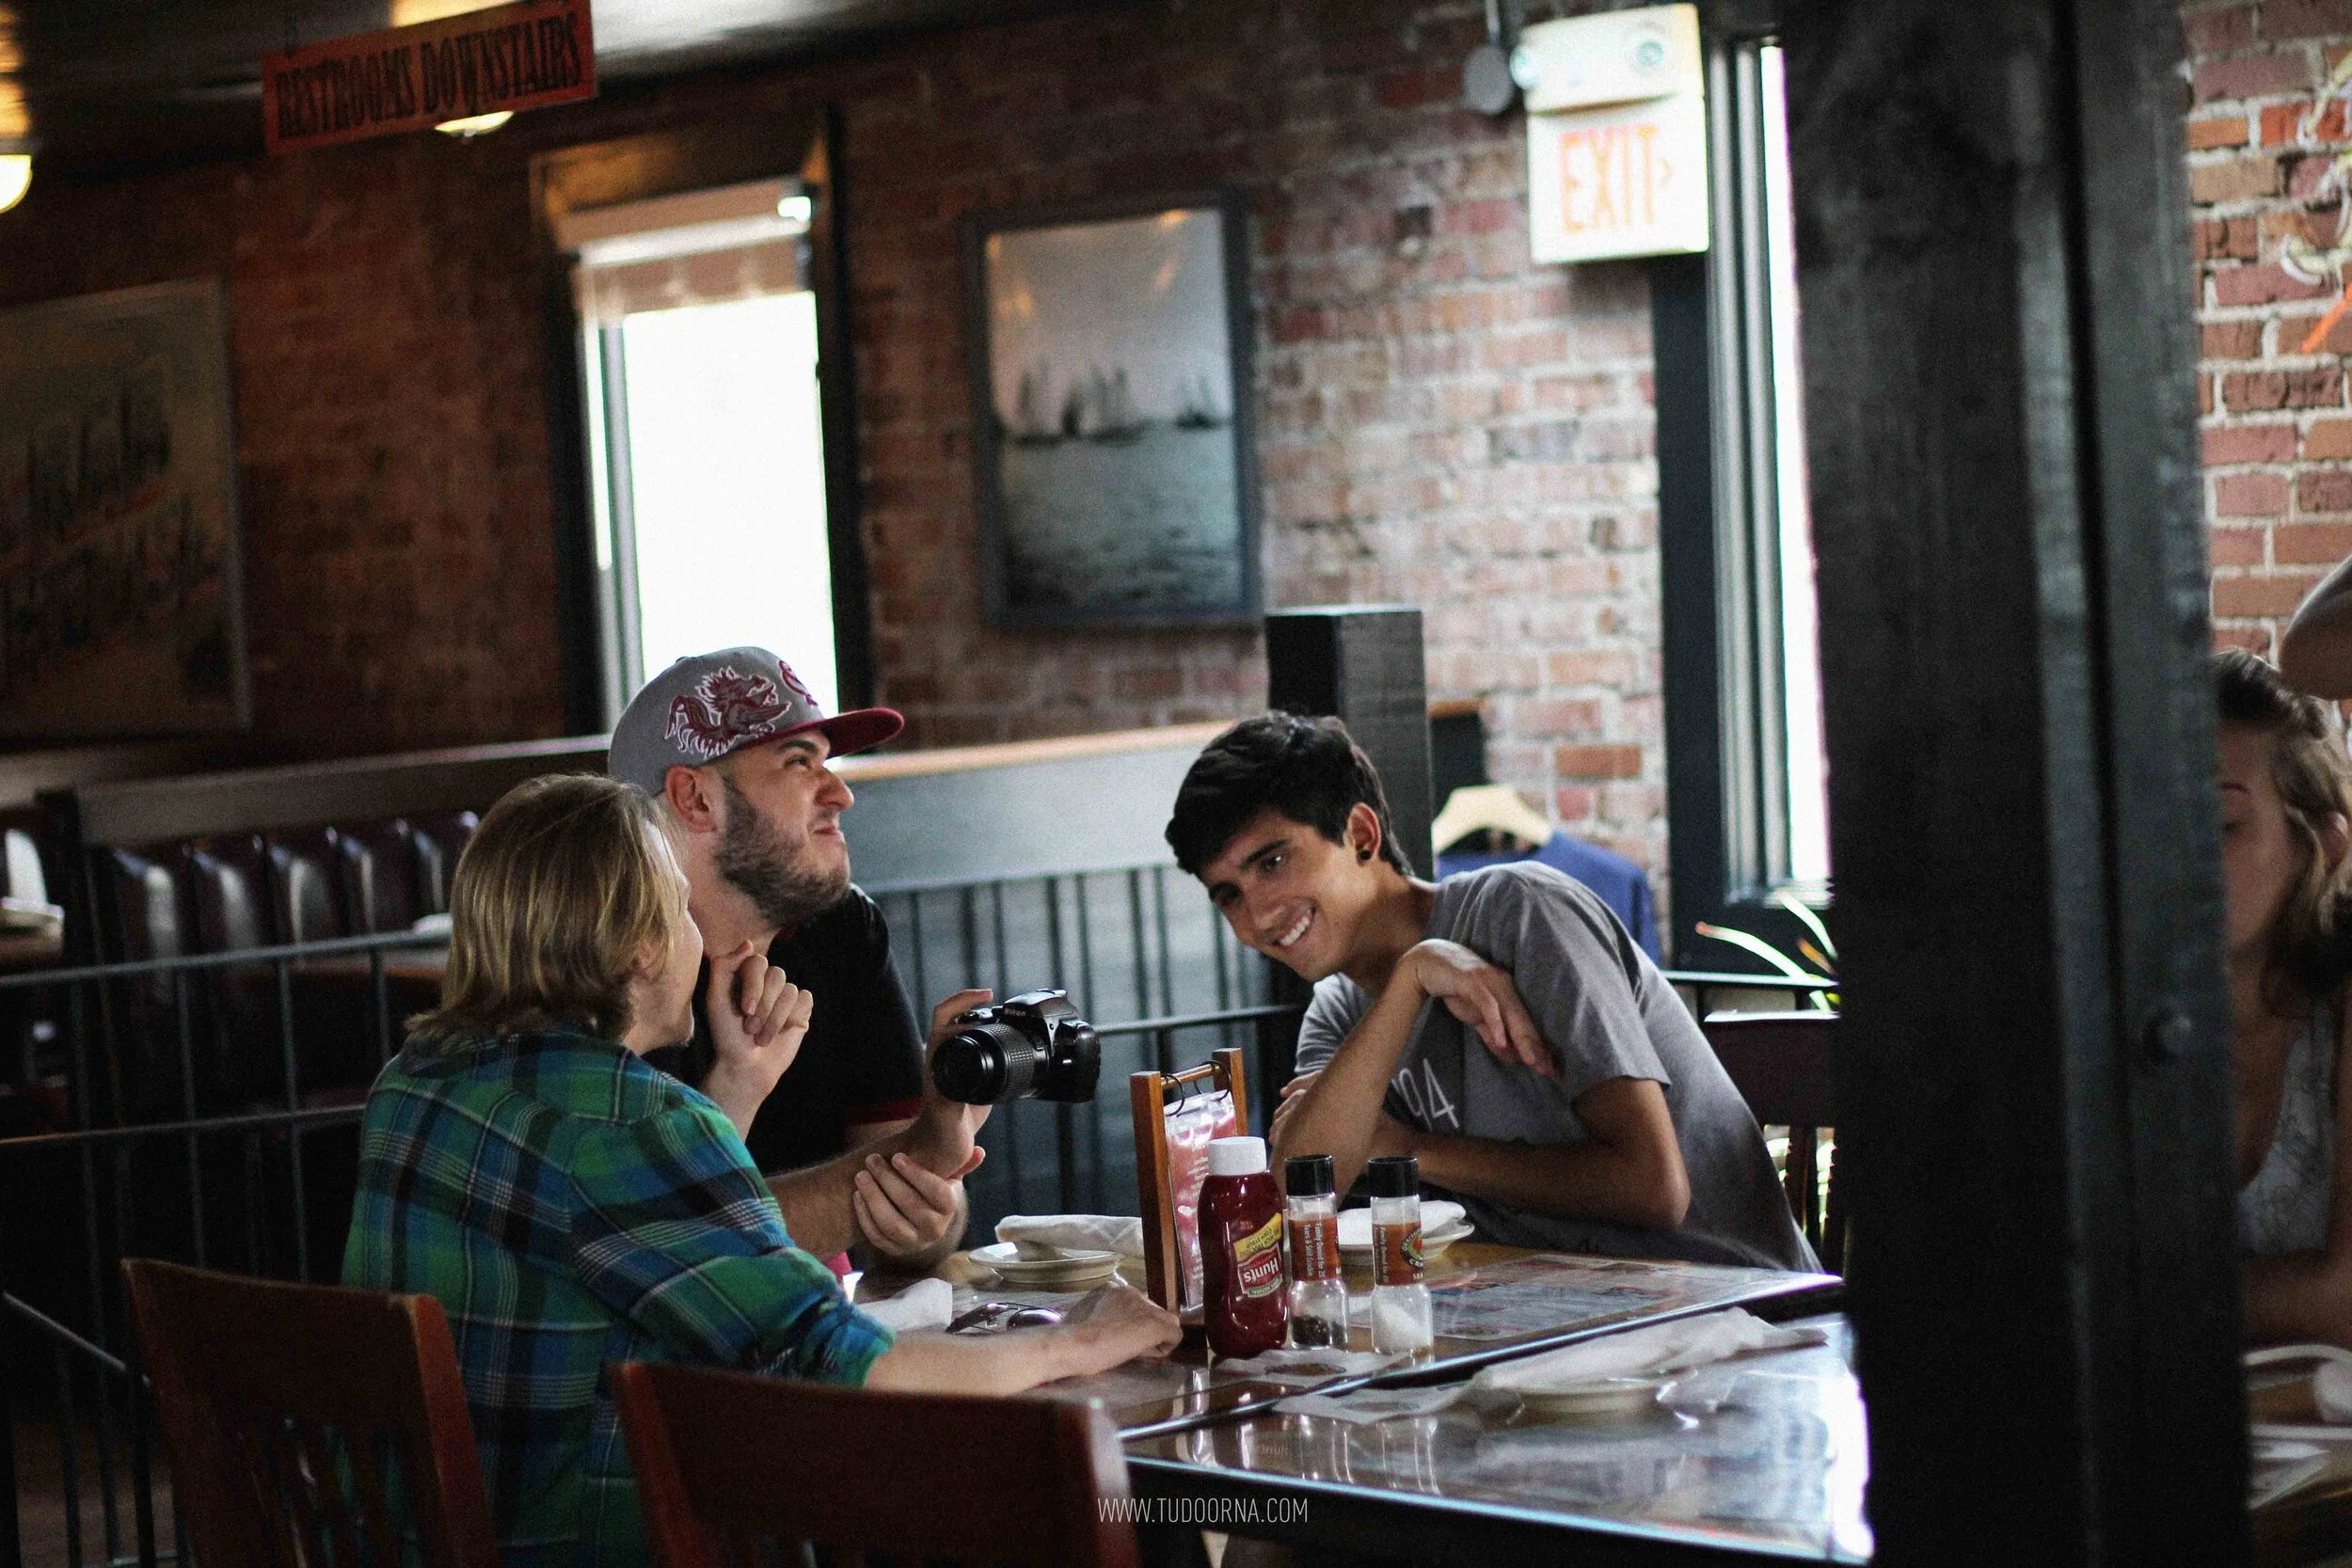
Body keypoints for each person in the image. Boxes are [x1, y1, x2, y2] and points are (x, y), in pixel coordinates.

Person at [343, 773, 1181, 1567]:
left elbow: (645, 1248)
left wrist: (733, 1090)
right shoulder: (627, 1121)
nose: (698, 935)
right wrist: (1088, 1336)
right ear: (639, 945)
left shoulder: (419, 1077)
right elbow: (854, 1372)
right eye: (678, 905)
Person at [1165, 712, 1814, 1271]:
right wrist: (1413, 978)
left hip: (1730, 1308)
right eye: (1229, 895)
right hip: (1564, 1324)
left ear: (1360, 835)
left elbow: (1653, 1187)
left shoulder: (1522, 913)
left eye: (1273, 862)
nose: (1257, 916)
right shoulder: (1339, 1012)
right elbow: (1297, 1191)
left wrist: (1405, 1147)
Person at [607, 648, 977, 1273]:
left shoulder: (840, 927)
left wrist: (926, 1205)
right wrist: (923, 1149)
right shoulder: (608, 957)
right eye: (800, 762)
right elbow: (651, 1230)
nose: (840, 793)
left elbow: (926, 1221)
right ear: (695, 798)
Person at [2215, 649, 2352, 1346]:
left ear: (2319, 844)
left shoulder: (2342, 1007)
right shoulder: (2123, 1018)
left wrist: (2134, 1303)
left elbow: (2347, 1299)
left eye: (2222, 825)